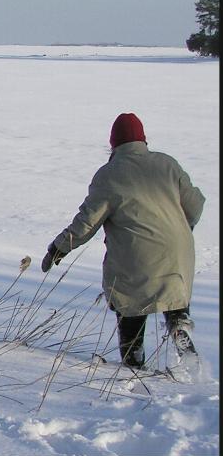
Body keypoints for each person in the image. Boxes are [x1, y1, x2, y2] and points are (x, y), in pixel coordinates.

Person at [41, 113, 205, 368]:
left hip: (137, 256)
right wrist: (182, 228)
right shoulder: (168, 164)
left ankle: (134, 363)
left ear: (113, 144)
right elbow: (195, 204)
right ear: (144, 140)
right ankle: (180, 328)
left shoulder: (109, 175)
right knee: (172, 295)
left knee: (131, 304)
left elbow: (87, 223)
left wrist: (60, 247)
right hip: (178, 251)